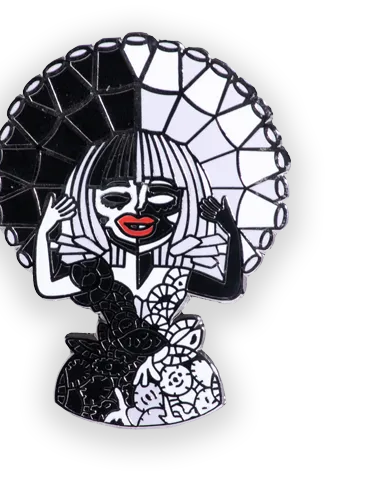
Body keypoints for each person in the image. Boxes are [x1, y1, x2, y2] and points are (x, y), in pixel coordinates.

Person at [34, 130, 245, 428]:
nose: (138, 208)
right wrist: (45, 231)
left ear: (186, 200)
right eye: (116, 197)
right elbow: (47, 287)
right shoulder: (97, 270)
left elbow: (230, 289)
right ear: (89, 202)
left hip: (177, 380)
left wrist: (231, 232)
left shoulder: (178, 271)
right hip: (102, 378)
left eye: (160, 195)